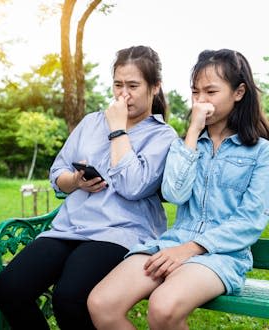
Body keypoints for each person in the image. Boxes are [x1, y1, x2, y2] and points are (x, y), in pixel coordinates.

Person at [0, 45, 178, 329]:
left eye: (133, 86)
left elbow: (133, 186)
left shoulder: (161, 135)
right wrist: (76, 181)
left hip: (121, 232)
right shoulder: (91, 122)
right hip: (71, 227)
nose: (122, 94)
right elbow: (58, 173)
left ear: (155, 87)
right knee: (9, 288)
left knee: (69, 297)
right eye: (117, 85)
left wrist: (118, 129)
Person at [87, 49, 269, 330]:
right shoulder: (185, 146)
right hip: (171, 244)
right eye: (195, 92)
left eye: (210, 92)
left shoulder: (261, 152)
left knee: (163, 307)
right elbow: (174, 194)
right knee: (102, 303)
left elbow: (250, 221)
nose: (200, 101)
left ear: (239, 92)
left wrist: (191, 249)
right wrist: (193, 134)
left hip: (223, 255)